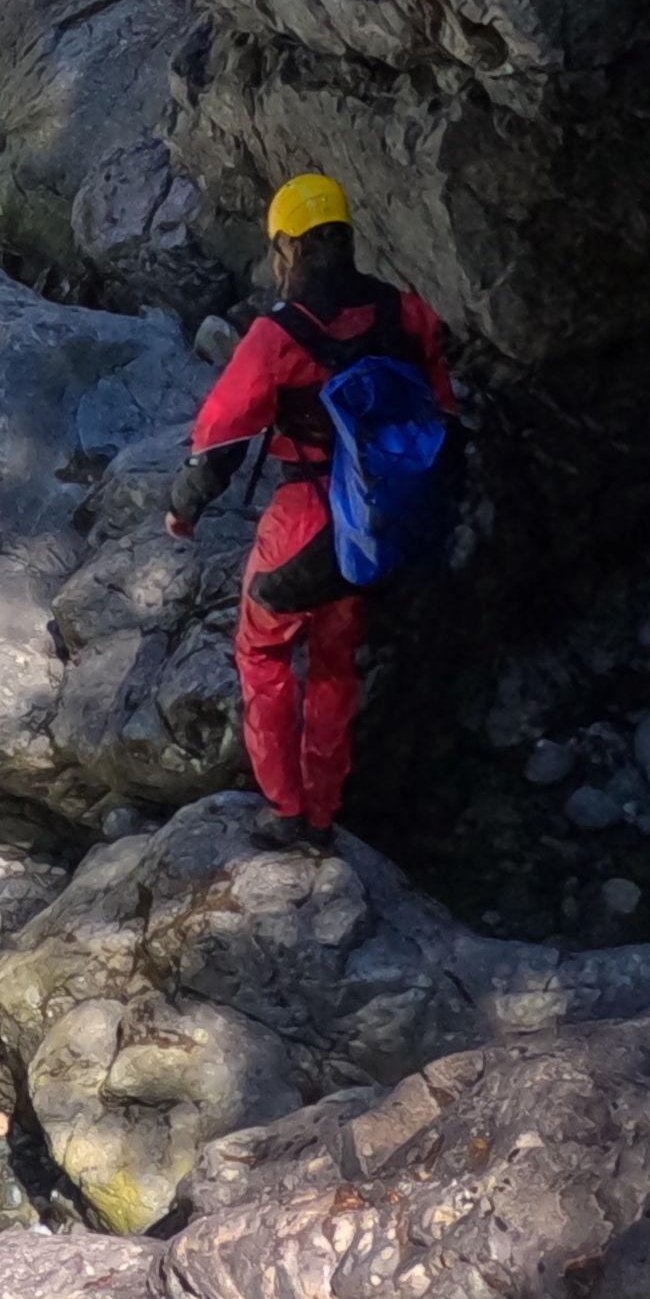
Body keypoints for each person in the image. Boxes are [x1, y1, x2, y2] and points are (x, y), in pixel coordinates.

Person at [166, 173, 457, 853]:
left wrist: (184, 508)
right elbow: (441, 412)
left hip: (305, 514)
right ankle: (324, 814)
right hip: (379, 519)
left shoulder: (279, 335)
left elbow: (222, 440)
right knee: (335, 662)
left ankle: (285, 807)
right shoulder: (408, 313)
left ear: (289, 248)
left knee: (263, 650)